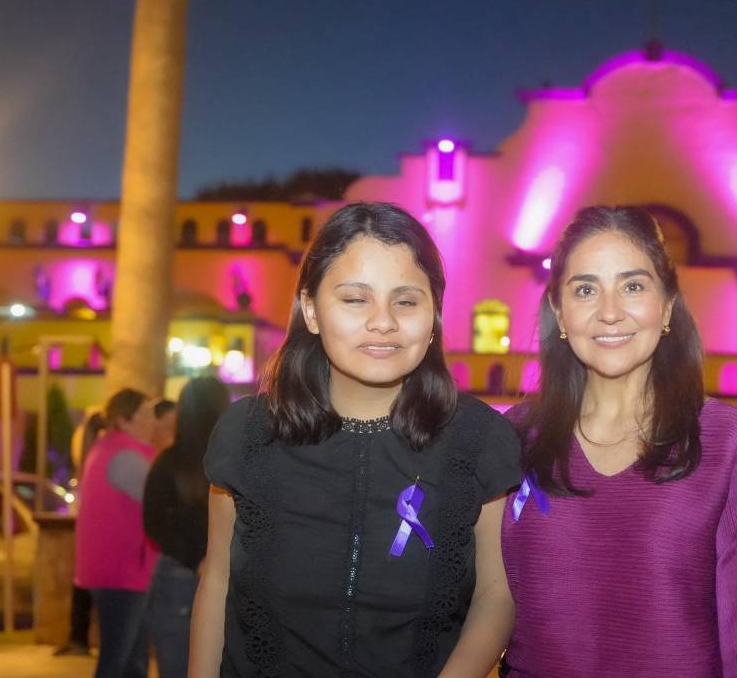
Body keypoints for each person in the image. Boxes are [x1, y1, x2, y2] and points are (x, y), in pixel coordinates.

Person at [189, 202, 521, 678]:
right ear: (311, 309)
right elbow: (218, 579)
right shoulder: (248, 433)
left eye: (406, 301)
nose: (382, 322)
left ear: (433, 317)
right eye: (354, 299)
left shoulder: (479, 439)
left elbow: (496, 595)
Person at [500, 205, 737, 677]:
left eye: (633, 286)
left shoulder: (727, 439)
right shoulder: (515, 436)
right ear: (558, 311)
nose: (610, 312)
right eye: (585, 289)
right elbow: (487, 600)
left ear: (667, 305)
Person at [143, 377, 229, 678]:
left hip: (176, 575)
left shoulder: (169, 461)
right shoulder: (234, 461)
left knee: (176, 666)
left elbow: (153, 521)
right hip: (225, 576)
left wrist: (194, 559)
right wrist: (206, 560)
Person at [75, 389, 161, 678]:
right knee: (118, 661)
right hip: (121, 573)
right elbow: (162, 502)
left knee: (130, 662)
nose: (154, 422)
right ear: (126, 420)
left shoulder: (110, 450)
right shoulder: (126, 459)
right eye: (148, 414)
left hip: (118, 571)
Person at [55, 409, 108, 657]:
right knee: (97, 590)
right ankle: (81, 639)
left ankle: (79, 638)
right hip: (102, 530)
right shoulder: (103, 454)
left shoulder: (89, 456)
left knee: (84, 586)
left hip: (90, 529)